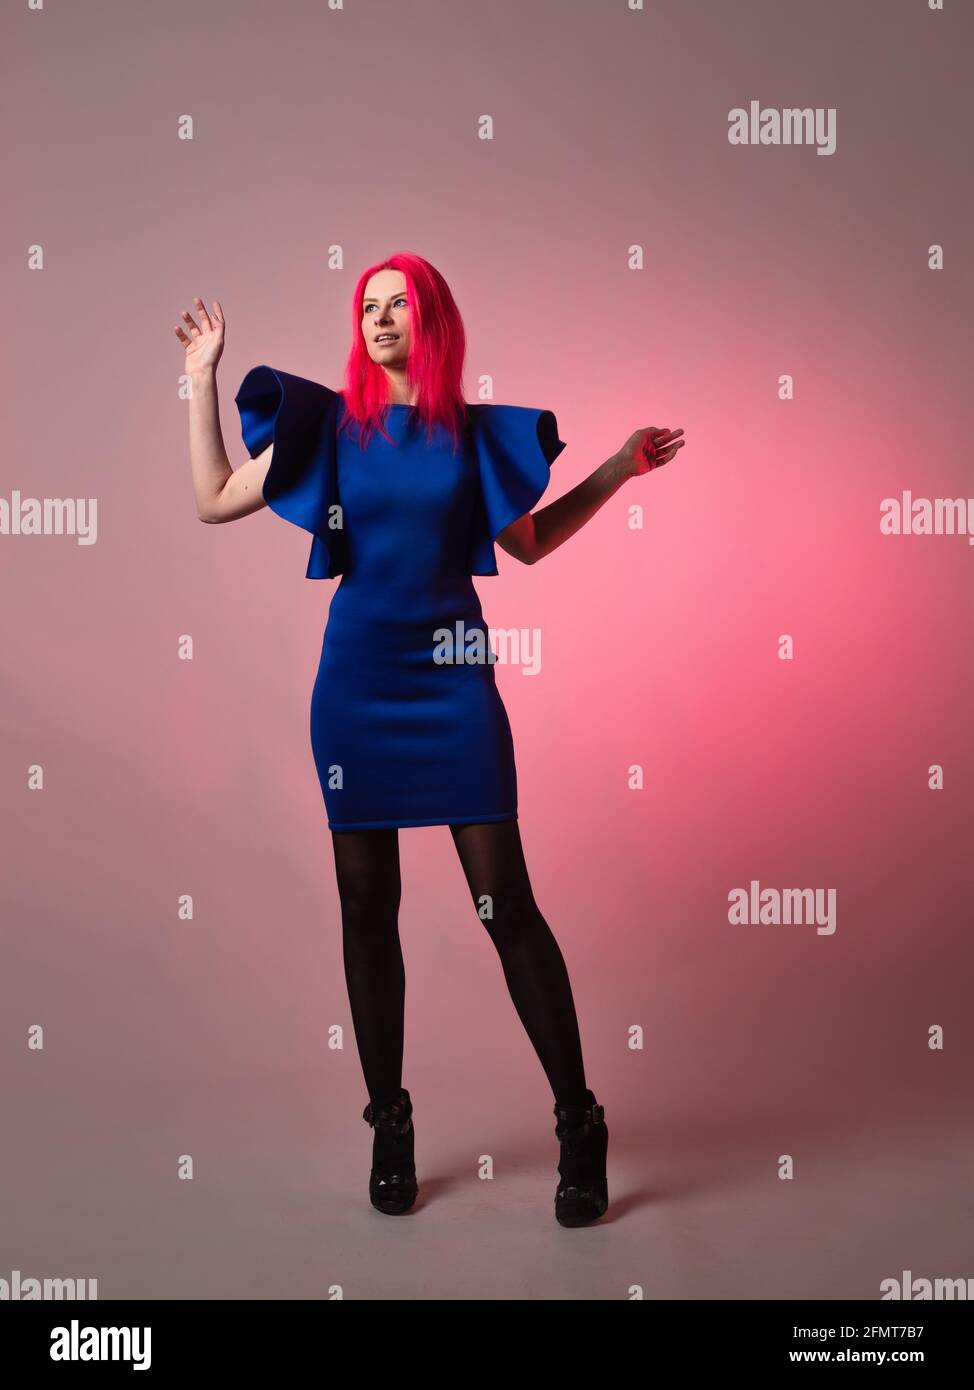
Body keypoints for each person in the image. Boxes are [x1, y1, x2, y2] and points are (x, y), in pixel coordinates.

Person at [176, 252, 686, 1227]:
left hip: (452, 693)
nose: (375, 318)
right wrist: (199, 378)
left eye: (394, 304)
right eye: (363, 305)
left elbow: (527, 545)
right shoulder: (327, 430)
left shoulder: (471, 438)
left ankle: (578, 1122)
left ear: (431, 319)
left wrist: (617, 469)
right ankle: (390, 1120)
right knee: (365, 905)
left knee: (505, 907)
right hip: (355, 694)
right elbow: (209, 498)